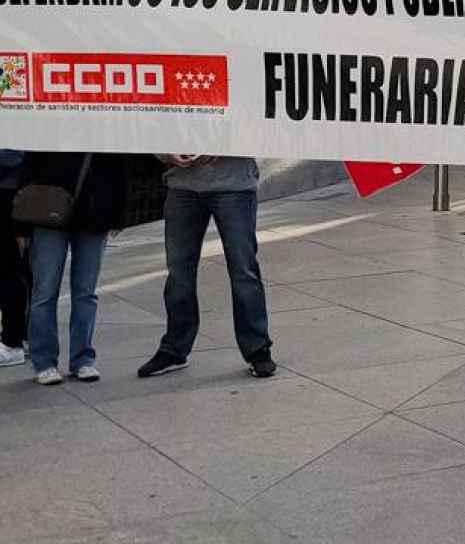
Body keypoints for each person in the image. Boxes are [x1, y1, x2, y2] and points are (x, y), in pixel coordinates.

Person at [136, 157, 276, 379]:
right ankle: (175, 349)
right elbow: (156, 127)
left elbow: (254, 127)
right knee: (179, 273)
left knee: (243, 270)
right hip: (182, 187)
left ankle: (257, 349)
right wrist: (166, 154)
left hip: (234, 186)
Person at [22, 152, 129, 385]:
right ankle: (45, 361)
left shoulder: (103, 126)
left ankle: (82, 359)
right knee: (46, 291)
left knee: (84, 292)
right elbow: (30, 163)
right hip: (49, 210)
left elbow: (118, 165)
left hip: (91, 212)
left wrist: (117, 215)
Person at [0, 149, 26, 367]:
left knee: (9, 271)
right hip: (10, 187)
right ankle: (18, 337)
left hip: (8, 191)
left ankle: (13, 341)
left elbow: (12, 155)